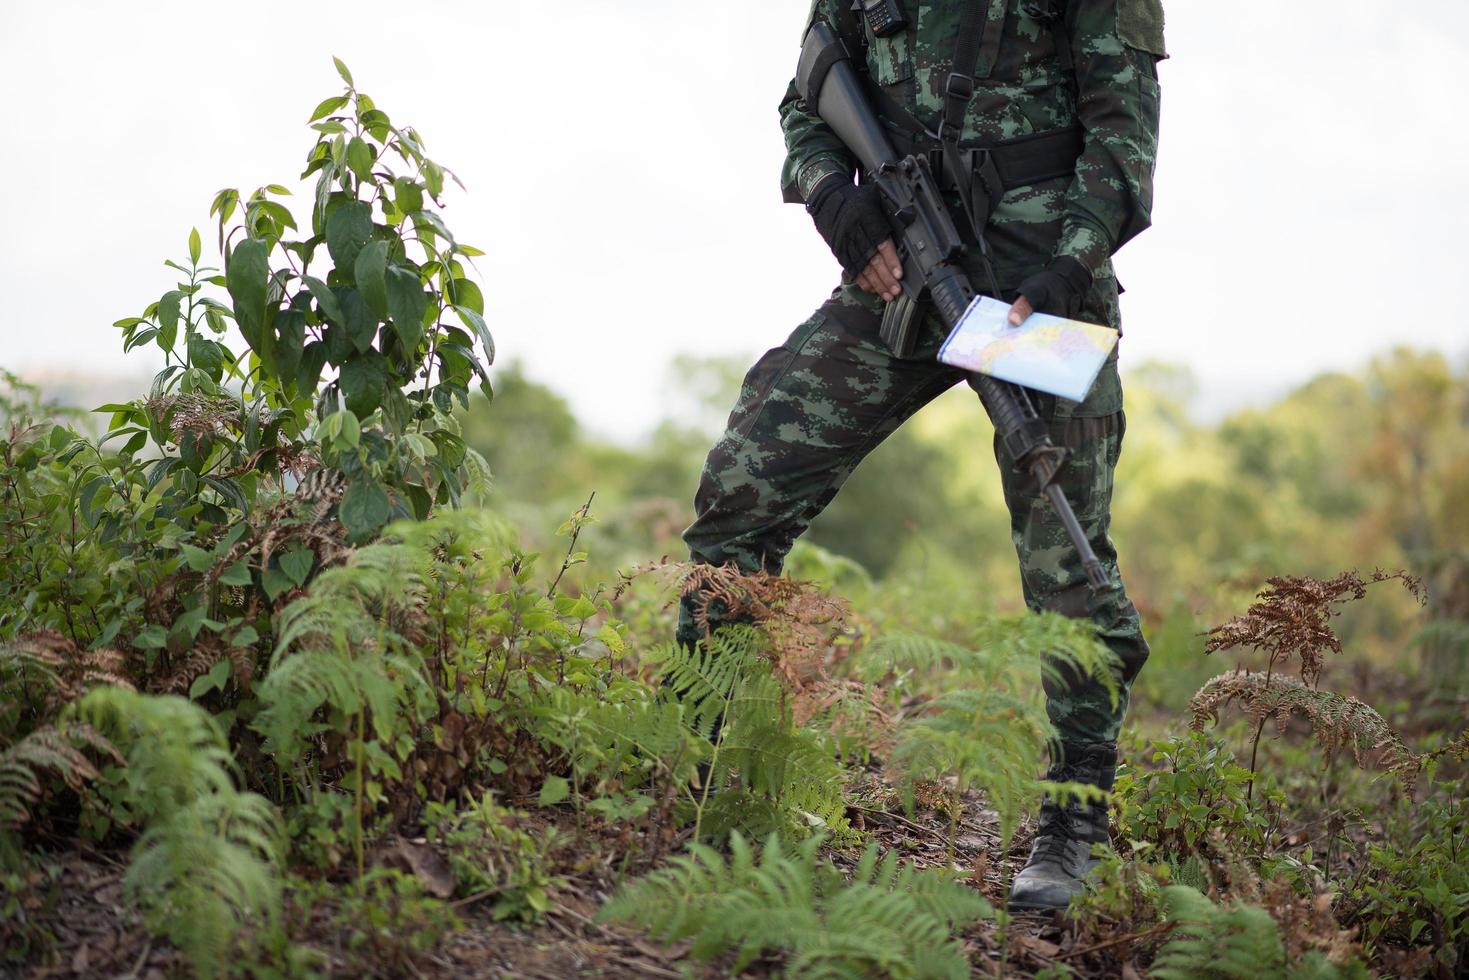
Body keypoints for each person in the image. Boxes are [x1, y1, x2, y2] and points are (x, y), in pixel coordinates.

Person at [678, 0, 1165, 912]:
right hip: (903, 274)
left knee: (1067, 561)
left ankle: (1070, 819)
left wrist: (1069, 264)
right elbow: (805, 100)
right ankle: (709, 766)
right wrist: (834, 198)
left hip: (1038, 298)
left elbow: (1122, 141)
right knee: (745, 483)